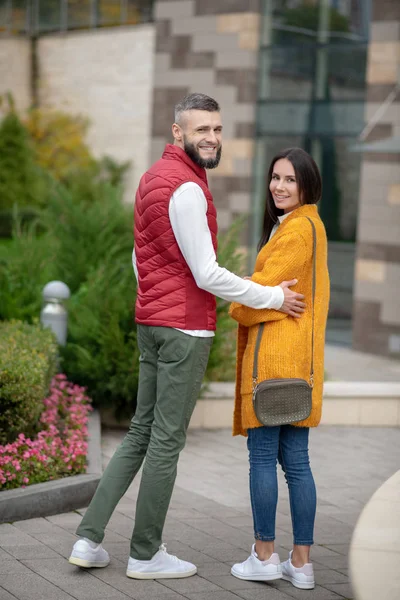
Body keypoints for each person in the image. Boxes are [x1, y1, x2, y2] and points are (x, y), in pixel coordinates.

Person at [68, 94, 306, 580]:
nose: (212, 138)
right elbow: (207, 273)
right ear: (178, 133)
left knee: (140, 432)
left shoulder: (152, 179)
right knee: (165, 441)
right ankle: (145, 553)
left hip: (152, 324)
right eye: (202, 130)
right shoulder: (188, 188)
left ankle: (88, 540)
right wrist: (273, 298)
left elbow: (141, 259)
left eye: (217, 129)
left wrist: (155, 301)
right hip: (183, 330)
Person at [229, 147, 330, 590]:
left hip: (273, 361)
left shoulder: (296, 231)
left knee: (263, 460)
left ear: (306, 184)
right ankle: (302, 563)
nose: (279, 186)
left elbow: (255, 297)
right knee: (298, 463)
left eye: (290, 179)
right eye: (275, 177)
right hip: (301, 363)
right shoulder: (310, 225)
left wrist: (241, 297)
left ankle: (265, 555)